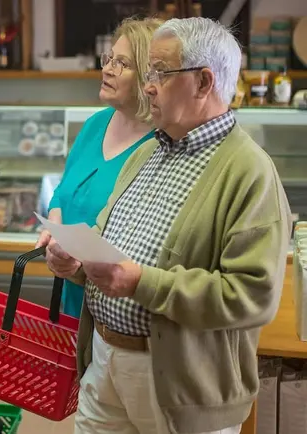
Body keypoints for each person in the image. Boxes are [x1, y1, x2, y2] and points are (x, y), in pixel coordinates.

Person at [45, 17, 291, 433]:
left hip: (180, 383)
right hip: (104, 361)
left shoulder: (248, 171)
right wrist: (77, 263)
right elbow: (108, 246)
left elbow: (252, 296)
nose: (147, 85)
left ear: (203, 82)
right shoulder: (148, 153)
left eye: (161, 72)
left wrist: (141, 282)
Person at [36, 17, 161, 318]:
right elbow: (63, 193)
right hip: (74, 301)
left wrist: (80, 260)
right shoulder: (95, 124)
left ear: (150, 77)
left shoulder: (160, 144)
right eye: (109, 59)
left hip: (120, 310)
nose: (106, 69)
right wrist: (55, 233)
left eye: (123, 64)